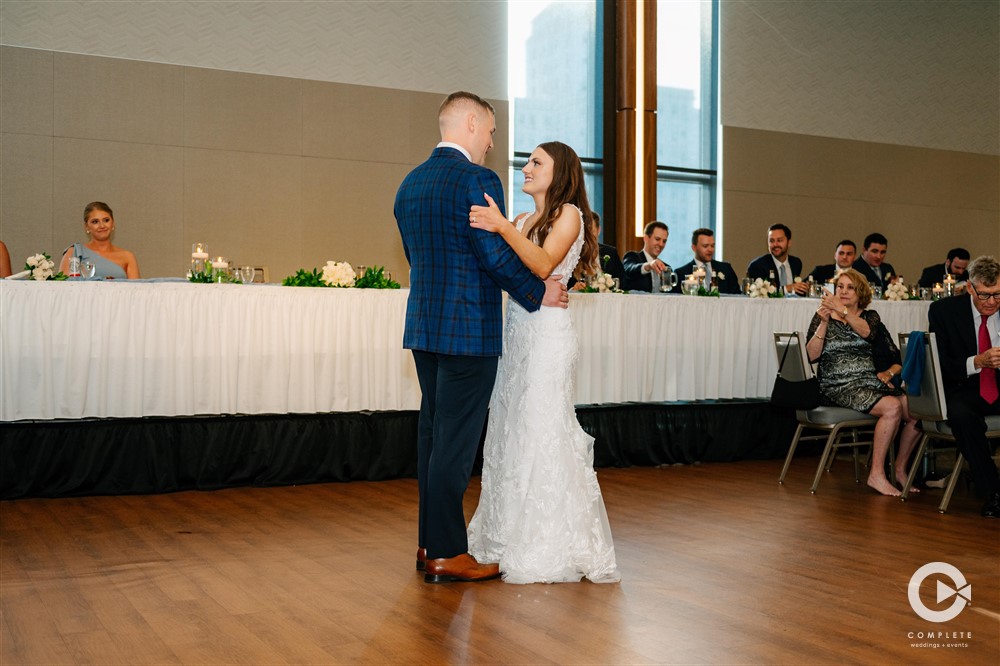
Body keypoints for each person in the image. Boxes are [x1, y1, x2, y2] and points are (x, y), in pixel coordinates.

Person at [394, 92, 569, 584]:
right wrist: (539, 294)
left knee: (432, 438)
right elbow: (492, 256)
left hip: (425, 326)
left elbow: (417, 255)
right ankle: (448, 552)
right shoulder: (476, 178)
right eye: (491, 131)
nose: (492, 143)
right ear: (471, 123)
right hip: (468, 330)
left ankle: (429, 543)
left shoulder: (410, 183)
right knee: (453, 444)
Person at [466, 140, 619, 584]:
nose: (526, 167)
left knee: (541, 427)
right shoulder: (521, 219)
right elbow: (507, 275)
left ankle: (548, 539)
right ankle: (505, 533)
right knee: (511, 428)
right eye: (528, 161)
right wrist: (505, 226)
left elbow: (542, 263)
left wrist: (501, 226)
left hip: (549, 337)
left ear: (561, 171)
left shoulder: (569, 213)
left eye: (537, 162)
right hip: (516, 334)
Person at [805, 269, 921, 496]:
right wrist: (824, 323)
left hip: (867, 381)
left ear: (860, 293)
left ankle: (899, 468)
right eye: (840, 287)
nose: (844, 291)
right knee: (892, 407)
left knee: (916, 410)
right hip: (837, 384)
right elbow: (810, 356)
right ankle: (876, 475)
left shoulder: (870, 317)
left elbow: (867, 333)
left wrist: (844, 311)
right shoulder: (823, 316)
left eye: (850, 287)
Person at [927, 255, 1000, 517]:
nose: (992, 302)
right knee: (961, 415)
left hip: (998, 385)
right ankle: (994, 492)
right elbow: (941, 364)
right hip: (964, 385)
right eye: (984, 295)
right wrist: (977, 361)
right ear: (969, 287)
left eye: (998, 295)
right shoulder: (944, 312)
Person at [58, 202, 140, 279]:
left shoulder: (127, 257)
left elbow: (136, 290)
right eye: (95, 222)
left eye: (106, 220)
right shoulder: (74, 252)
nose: (102, 225)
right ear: (87, 227)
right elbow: (63, 288)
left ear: (113, 223)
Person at [745, 224, 808, 295]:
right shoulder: (757, 266)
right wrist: (786, 289)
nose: (775, 244)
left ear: (789, 242)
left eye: (779, 240)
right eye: (771, 241)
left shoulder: (796, 263)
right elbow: (760, 293)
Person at [673, 228, 740, 294]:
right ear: (694, 248)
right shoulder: (681, 273)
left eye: (712, 246)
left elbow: (737, 296)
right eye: (705, 246)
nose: (710, 250)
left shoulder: (726, 269)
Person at [568, 212, 623, 290]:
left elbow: (623, 283)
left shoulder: (611, 253)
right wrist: (573, 289)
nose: (588, 236)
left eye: (591, 231)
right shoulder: (572, 254)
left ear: (598, 230)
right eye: (584, 232)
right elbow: (564, 286)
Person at [621, 221, 670, 292]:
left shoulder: (666, 267)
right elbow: (630, 269)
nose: (661, 244)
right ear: (646, 238)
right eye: (657, 239)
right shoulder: (632, 257)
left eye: (664, 241)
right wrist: (649, 266)